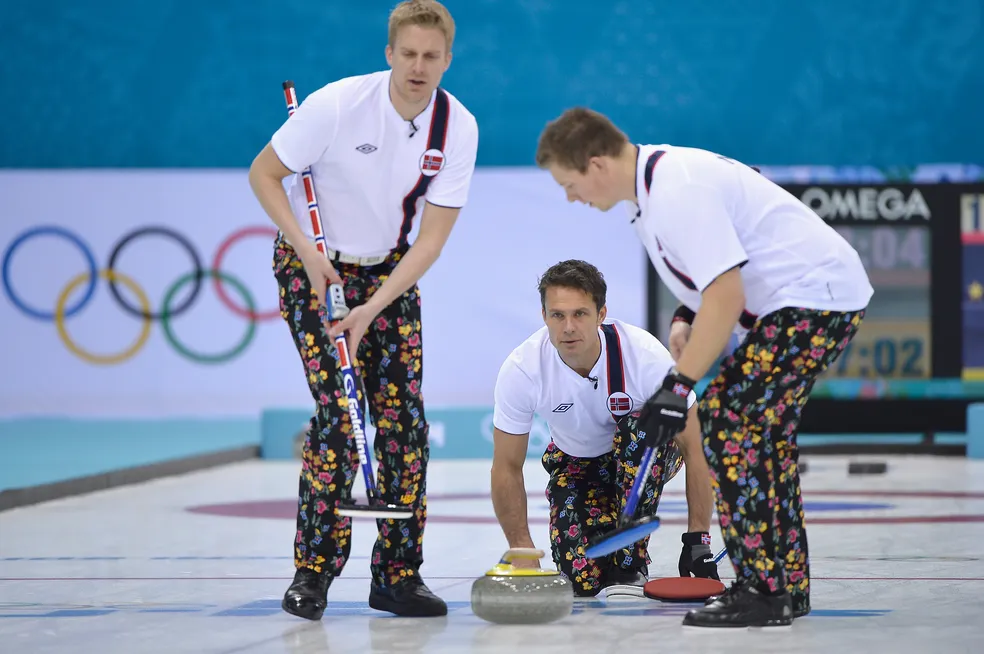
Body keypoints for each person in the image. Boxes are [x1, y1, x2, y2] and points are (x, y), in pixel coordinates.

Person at [534, 109, 872, 627]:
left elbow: (728, 295)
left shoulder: (674, 191)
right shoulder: (652, 195)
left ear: (595, 163)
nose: (571, 196)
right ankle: (786, 586)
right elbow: (713, 279)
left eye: (569, 182)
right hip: (817, 299)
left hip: (811, 299)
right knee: (762, 436)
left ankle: (762, 588)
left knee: (726, 423)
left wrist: (678, 386)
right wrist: (685, 316)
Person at [247, 0, 478, 621]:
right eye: (409, 54)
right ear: (389, 54)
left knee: (404, 424)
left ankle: (398, 577)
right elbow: (265, 175)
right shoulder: (337, 105)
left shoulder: (457, 128)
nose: (419, 66)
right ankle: (313, 573)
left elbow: (430, 240)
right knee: (341, 415)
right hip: (313, 267)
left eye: (432, 56)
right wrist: (307, 254)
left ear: (447, 60)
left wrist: (374, 306)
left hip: (389, 276)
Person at [490, 259, 719, 598]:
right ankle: (607, 539)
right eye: (557, 315)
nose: (568, 327)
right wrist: (522, 550)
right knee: (582, 582)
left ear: (601, 314)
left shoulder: (645, 356)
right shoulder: (522, 370)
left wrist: (698, 540)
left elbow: (696, 447)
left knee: (638, 429)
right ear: (544, 317)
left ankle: (630, 562)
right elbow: (506, 467)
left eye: (580, 314)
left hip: (647, 451)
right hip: (577, 465)